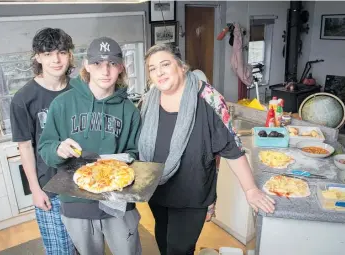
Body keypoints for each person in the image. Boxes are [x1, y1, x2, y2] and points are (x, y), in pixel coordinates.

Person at [138, 44, 276, 255]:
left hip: (192, 195)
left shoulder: (208, 98)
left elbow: (232, 146)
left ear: (182, 67)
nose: (159, 72)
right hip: (158, 190)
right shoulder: (148, 101)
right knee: (164, 241)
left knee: (178, 249)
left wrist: (250, 189)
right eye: (152, 68)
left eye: (165, 64)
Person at [38, 37, 142, 255]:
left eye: (112, 64)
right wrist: (57, 149)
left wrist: (122, 161)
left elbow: (134, 153)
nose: (105, 71)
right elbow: (45, 149)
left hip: (118, 203)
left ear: (121, 67)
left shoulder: (130, 111)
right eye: (97, 64)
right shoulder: (62, 104)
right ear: (86, 65)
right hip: (76, 204)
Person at [10, 28, 76, 254]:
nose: (56, 60)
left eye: (61, 52)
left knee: (87, 247)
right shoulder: (23, 99)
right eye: (48, 54)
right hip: (50, 188)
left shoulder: (81, 90)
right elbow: (25, 147)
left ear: (70, 55)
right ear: (37, 57)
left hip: (84, 184)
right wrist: (35, 190)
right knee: (61, 250)